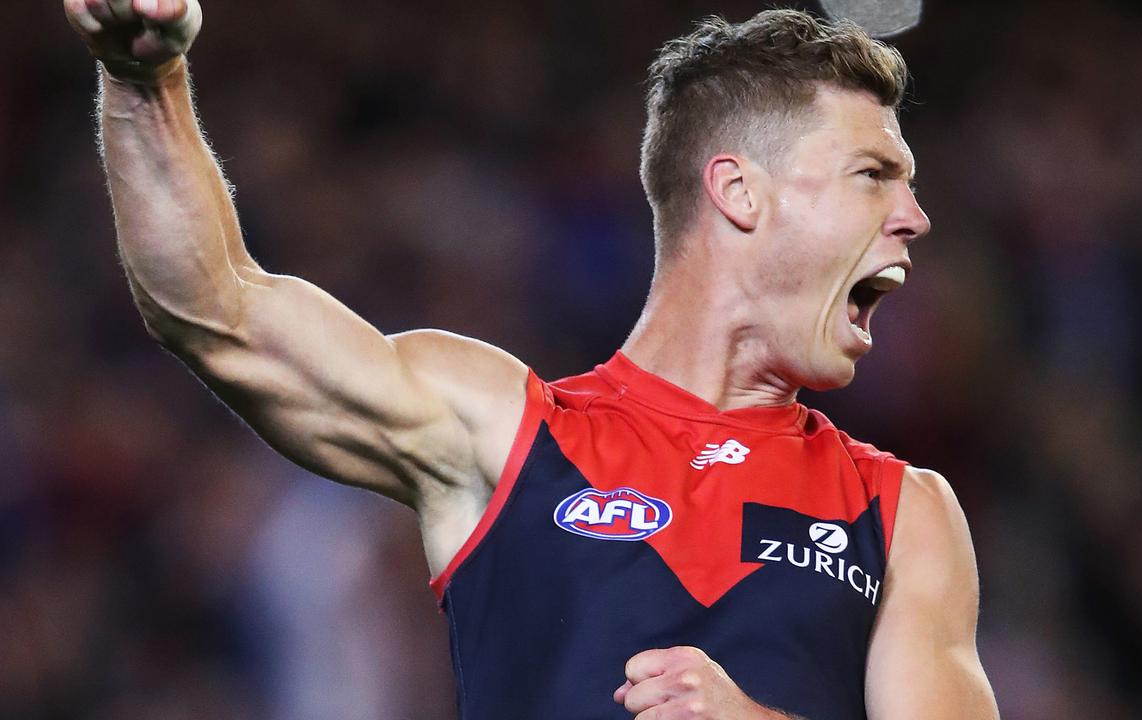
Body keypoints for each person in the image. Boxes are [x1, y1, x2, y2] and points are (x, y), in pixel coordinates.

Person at [65, 0, 999, 717]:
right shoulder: (510, 431)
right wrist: (144, 82)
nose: (915, 217)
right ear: (738, 193)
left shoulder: (901, 512)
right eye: (874, 175)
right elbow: (215, 310)